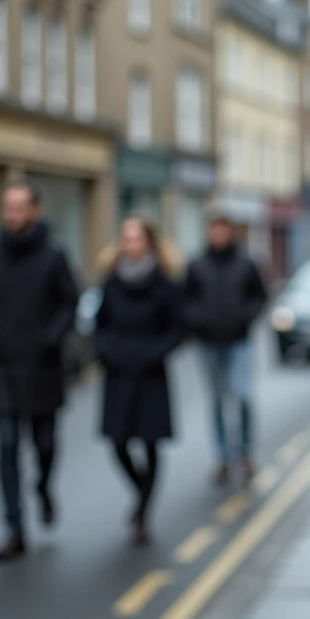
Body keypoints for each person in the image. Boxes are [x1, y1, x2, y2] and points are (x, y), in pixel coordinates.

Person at [0, 180, 79, 564]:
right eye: (7, 207)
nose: (12, 215)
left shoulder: (54, 256)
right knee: (6, 446)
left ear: (35, 211)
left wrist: (51, 338)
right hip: (4, 367)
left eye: (19, 208)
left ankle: (44, 486)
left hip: (42, 367)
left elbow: (70, 301)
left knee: (45, 445)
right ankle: (14, 529)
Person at [93, 216, 184, 545]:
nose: (130, 244)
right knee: (117, 443)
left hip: (150, 375)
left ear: (149, 242)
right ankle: (140, 489)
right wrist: (106, 351)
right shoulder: (111, 281)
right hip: (118, 373)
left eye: (136, 238)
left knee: (150, 443)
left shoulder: (165, 283)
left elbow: (177, 328)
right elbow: (99, 323)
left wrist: (154, 353)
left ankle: (143, 513)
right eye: (125, 238)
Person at [182, 215, 268, 485]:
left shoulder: (245, 262)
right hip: (208, 343)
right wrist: (198, 320)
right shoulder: (197, 264)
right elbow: (185, 299)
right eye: (214, 230)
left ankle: (244, 451)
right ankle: (222, 458)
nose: (218, 235)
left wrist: (245, 317)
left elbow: (260, 296)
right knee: (218, 401)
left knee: (242, 396)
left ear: (229, 233)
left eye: (222, 230)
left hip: (238, 341)